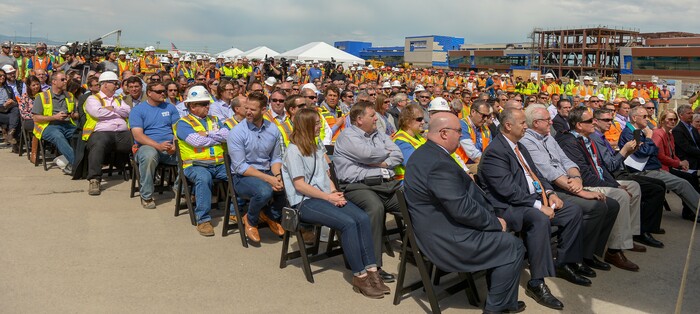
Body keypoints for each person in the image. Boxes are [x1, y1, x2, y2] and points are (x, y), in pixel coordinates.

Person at [404, 112, 526, 313]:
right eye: (459, 131)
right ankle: (497, 308)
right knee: (513, 246)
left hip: (442, 226)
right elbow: (462, 209)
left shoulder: (429, 153)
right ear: (444, 133)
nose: (461, 135)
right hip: (447, 238)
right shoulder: (437, 163)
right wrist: (495, 223)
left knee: (506, 234)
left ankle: (503, 300)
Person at [478, 108, 584, 311]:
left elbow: (536, 175)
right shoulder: (495, 152)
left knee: (572, 211)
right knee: (538, 219)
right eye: (522, 123)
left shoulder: (519, 147)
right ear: (508, 126)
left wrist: (551, 193)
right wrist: (538, 205)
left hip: (531, 198)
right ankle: (537, 281)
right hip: (508, 207)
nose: (526, 126)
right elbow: (508, 191)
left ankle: (565, 263)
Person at [281, 108, 388, 298]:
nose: (320, 125)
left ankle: (372, 270)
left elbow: (326, 174)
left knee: (362, 217)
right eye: (316, 123)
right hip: (305, 202)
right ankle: (360, 276)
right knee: (347, 223)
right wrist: (328, 197)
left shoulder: (316, 146)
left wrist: (333, 192)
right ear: (306, 125)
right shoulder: (293, 151)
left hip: (324, 196)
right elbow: (300, 186)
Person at [557, 107, 656, 271]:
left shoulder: (587, 139)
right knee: (621, 196)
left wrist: (616, 184)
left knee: (634, 187)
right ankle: (614, 249)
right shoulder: (571, 143)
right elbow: (587, 176)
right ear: (579, 125)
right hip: (583, 185)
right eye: (590, 121)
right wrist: (615, 185)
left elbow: (601, 168)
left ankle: (627, 238)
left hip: (599, 180)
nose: (594, 122)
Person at [334, 101, 403, 282]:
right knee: (375, 208)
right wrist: (382, 154)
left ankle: (421, 251)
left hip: (385, 183)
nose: (376, 118)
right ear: (359, 119)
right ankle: (373, 266)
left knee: (413, 201)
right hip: (357, 185)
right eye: (372, 115)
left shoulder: (378, 134)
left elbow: (398, 154)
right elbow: (366, 155)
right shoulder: (347, 136)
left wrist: (383, 160)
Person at [619, 106, 700, 223]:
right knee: (682, 183)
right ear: (634, 118)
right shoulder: (632, 133)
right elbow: (644, 153)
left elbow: (657, 151)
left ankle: (693, 211)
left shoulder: (639, 132)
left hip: (653, 167)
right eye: (644, 116)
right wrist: (648, 138)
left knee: (685, 181)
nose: (647, 119)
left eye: (674, 119)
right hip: (644, 170)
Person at [227, 91, 286, 244]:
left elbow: (276, 158)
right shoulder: (237, 132)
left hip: (267, 171)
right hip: (243, 177)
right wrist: (270, 179)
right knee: (264, 191)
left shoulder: (273, 129)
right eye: (246, 108)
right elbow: (240, 167)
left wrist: (278, 176)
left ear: (264, 110)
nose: (248, 112)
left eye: (253, 109)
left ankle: (268, 215)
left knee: (289, 185)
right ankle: (251, 220)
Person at [175, 86, 229, 236]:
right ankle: (203, 220)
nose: (208, 106)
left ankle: (234, 212)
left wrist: (207, 134)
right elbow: (196, 141)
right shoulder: (183, 123)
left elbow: (227, 135)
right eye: (204, 104)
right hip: (195, 165)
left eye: (208, 103)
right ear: (192, 106)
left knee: (238, 174)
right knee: (203, 178)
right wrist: (216, 137)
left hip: (218, 164)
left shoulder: (215, 119)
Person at [129, 82, 180, 209]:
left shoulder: (171, 108)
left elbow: (177, 131)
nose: (163, 93)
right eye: (159, 91)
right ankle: (146, 196)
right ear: (149, 93)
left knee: (188, 155)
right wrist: (158, 146)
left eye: (164, 91)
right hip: (147, 146)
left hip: (169, 146)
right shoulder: (137, 110)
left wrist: (174, 144)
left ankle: (180, 188)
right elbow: (138, 136)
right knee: (149, 156)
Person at [82, 71, 133, 195]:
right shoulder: (92, 99)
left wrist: (113, 108)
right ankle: (94, 179)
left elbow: (129, 112)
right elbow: (97, 113)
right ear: (105, 85)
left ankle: (143, 174)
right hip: (101, 132)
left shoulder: (119, 99)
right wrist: (118, 111)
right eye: (115, 83)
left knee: (140, 140)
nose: (117, 86)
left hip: (122, 133)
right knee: (98, 145)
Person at [32, 72, 78, 174]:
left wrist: (73, 115)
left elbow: (76, 113)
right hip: (49, 126)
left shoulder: (69, 95)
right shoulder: (42, 96)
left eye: (65, 79)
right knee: (58, 136)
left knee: (81, 135)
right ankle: (77, 163)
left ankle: (77, 163)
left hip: (67, 124)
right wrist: (54, 117)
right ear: (54, 82)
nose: (65, 81)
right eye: (62, 79)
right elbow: (35, 118)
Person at [392, 104, 426, 181]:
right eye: (419, 119)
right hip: (407, 182)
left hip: (420, 180)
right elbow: (416, 165)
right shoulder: (400, 141)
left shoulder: (418, 137)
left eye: (423, 119)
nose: (423, 122)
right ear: (407, 121)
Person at [672, 104, 700, 170]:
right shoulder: (677, 130)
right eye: (689, 113)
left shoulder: (693, 128)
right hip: (688, 160)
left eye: (692, 113)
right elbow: (687, 148)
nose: (691, 115)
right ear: (681, 115)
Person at [0, 68, 19, 146]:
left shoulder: (8, 89)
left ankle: (10, 134)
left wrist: (12, 102)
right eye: (0, 75)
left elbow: (15, 102)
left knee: (16, 110)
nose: (3, 77)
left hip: (8, 112)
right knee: (16, 119)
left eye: (4, 75)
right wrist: (3, 105)